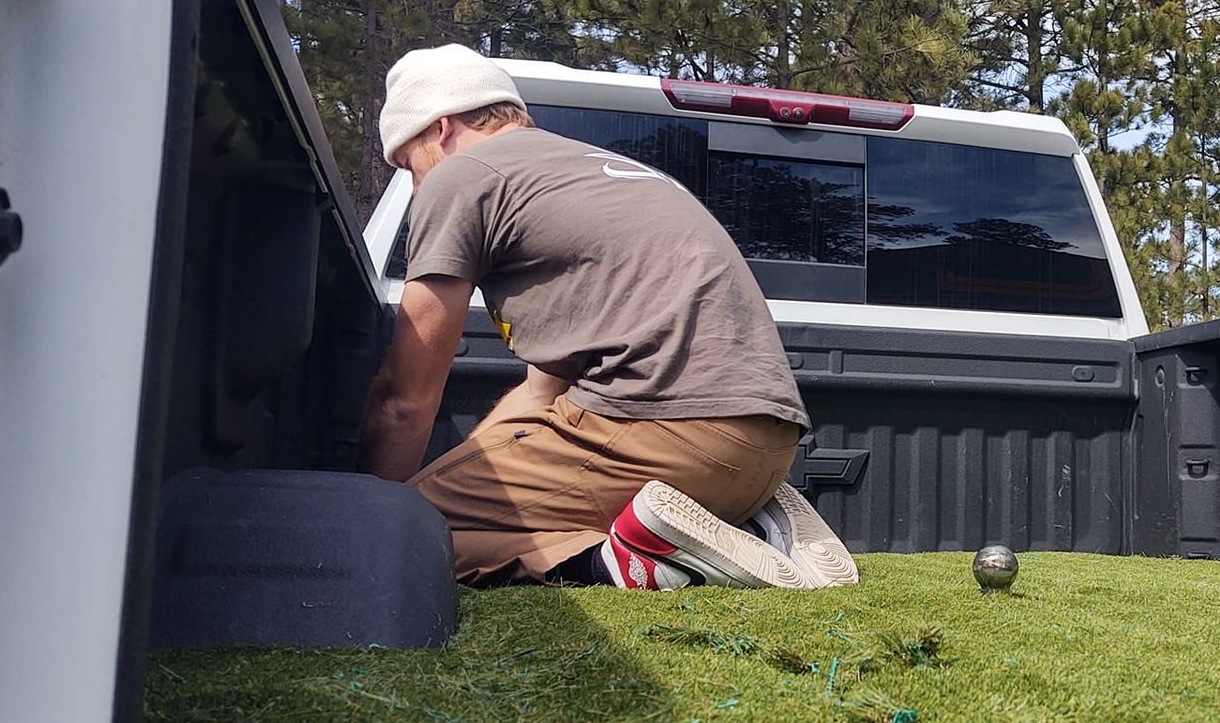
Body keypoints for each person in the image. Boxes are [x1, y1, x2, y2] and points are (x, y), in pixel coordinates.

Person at [357, 43, 857, 593]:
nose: (416, 185)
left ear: (442, 129)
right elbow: (540, 395)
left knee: (402, 533)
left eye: (408, 165)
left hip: (662, 437)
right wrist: (483, 463)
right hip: (766, 452)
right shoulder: (593, 172)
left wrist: (371, 514)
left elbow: (403, 401)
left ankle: (615, 561)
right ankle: (746, 524)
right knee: (433, 504)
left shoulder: (464, 176)